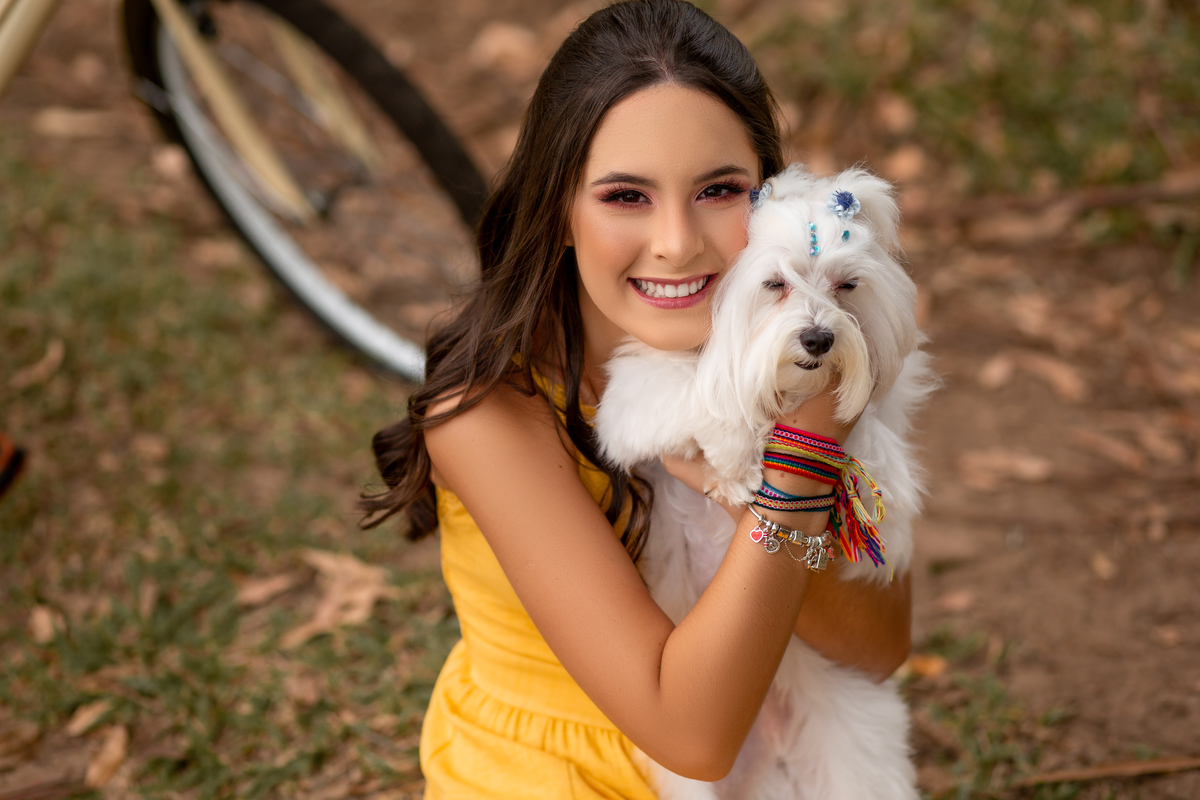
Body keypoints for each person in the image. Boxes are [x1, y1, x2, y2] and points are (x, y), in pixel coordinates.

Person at [363, 1, 912, 796]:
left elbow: (878, 644)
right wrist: (794, 470)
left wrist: (762, 468)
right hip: (560, 776)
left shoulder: (799, 350)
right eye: (626, 196)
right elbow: (695, 736)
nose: (677, 241)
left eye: (720, 189)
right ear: (559, 210)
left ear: (774, 200)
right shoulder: (490, 417)